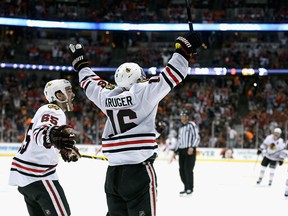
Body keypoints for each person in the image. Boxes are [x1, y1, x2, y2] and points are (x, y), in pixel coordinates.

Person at [68, 32, 202, 216]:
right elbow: (172, 75)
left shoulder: (106, 96)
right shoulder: (143, 92)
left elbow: (90, 84)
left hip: (113, 174)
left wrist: (81, 65)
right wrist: (184, 49)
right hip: (138, 171)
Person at [8, 79, 81, 216]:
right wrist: (51, 136)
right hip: (39, 176)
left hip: (25, 178)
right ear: (59, 95)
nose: (73, 94)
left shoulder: (46, 110)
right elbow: (41, 132)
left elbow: (46, 138)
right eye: (69, 90)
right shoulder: (54, 110)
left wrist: (64, 149)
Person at [169, 110, 200, 196]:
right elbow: (179, 141)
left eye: (184, 116)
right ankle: (186, 187)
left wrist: (192, 147)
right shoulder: (181, 127)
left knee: (188, 169)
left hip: (189, 150)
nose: (182, 118)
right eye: (181, 116)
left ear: (187, 117)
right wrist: (175, 152)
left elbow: (197, 137)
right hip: (181, 151)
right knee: (181, 170)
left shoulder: (191, 125)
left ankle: (190, 188)